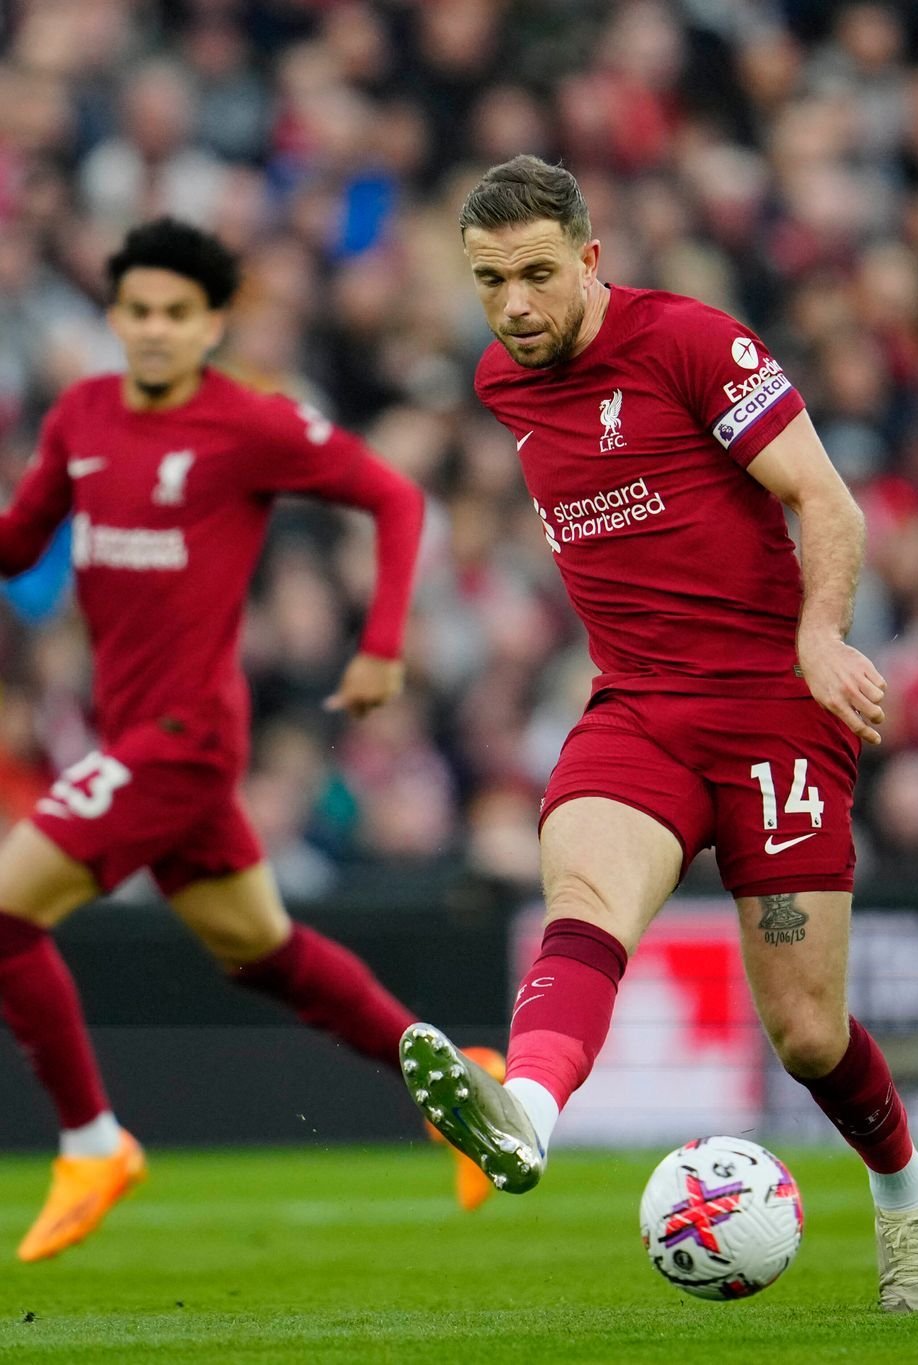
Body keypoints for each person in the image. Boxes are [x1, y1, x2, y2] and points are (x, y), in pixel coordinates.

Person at [401, 156, 918, 1314]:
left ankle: (904, 1198)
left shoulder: (693, 343)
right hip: (639, 709)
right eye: (491, 281)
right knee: (582, 906)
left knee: (806, 1036)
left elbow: (827, 501)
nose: (515, 306)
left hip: (774, 716)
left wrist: (818, 636)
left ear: (591, 261)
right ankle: (526, 1115)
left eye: (538, 275)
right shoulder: (500, 379)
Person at [0, 219, 499, 1264]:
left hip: (184, 738)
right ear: (113, 315)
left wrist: (378, 645)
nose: (152, 330)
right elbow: (17, 545)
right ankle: (460, 1081)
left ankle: (94, 1144)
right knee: (261, 954)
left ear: (212, 324)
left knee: (5, 916)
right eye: (136, 310)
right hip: (135, 733)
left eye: (176, 314)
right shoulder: (82, 415)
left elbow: (394, 497)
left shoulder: (249, 424)